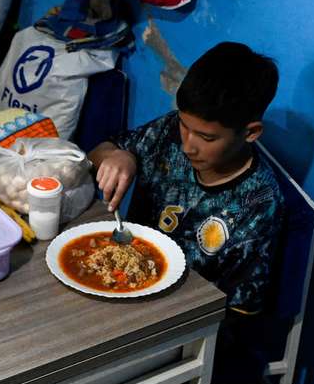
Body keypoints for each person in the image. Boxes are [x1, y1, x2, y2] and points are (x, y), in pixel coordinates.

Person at [89, 42, 284, 317]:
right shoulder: (168, 131)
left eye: (206, 138)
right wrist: (121, 156)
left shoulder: (258, 203)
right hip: (122, 279)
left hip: (181, 317)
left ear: (251, 133)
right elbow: (98, 152)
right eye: (184, 125)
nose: (187, 146)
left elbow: (237, 313)